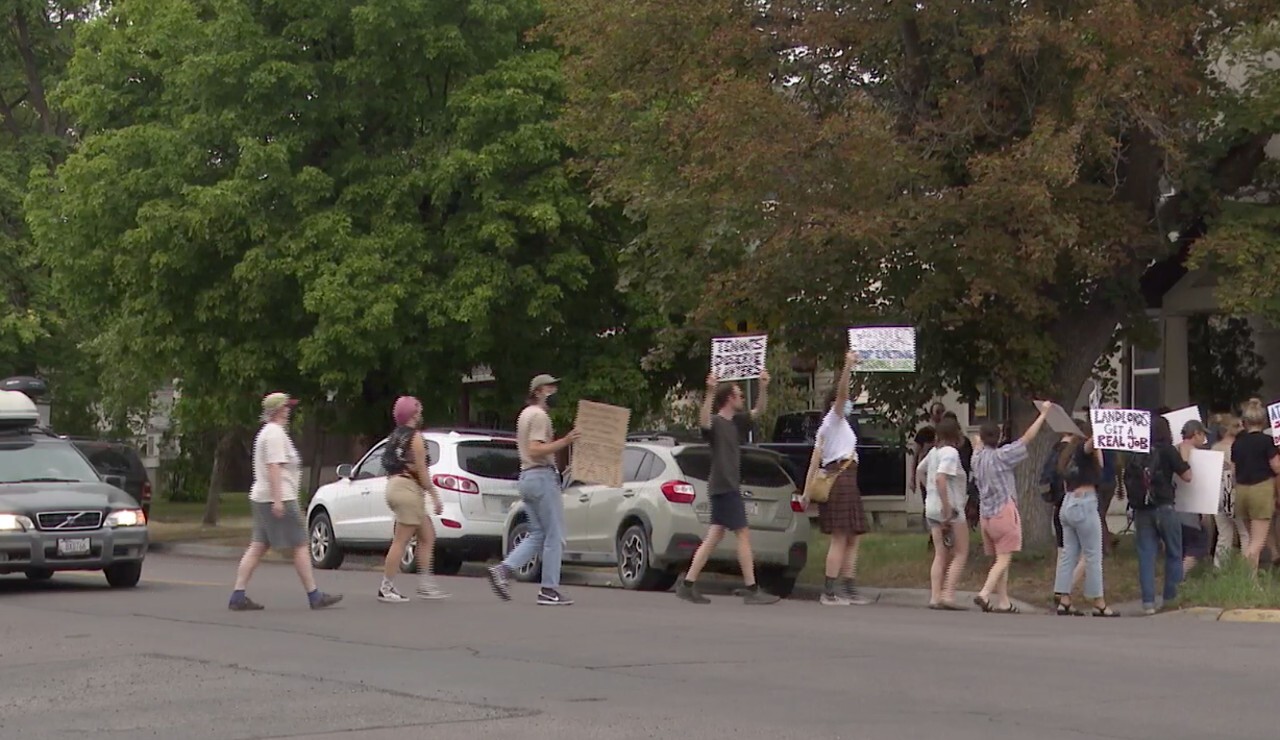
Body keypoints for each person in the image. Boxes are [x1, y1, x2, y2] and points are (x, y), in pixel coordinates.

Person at [229, 392, 342, 612]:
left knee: (258, 545)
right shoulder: (274, 434)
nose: (290, 410)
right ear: (279, 410)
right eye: (287, 407)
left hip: (261, 496)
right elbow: (274, 466)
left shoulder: (267, 433)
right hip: (278, 496)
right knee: (300, 544)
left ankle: (238, 594)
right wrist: (279, 500)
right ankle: (314, 595)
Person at [677, 370, 781, 605]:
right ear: (729, 399)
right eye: (739, 395)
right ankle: (752, 589)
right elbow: (703, 420)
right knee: (742, 534)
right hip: (724, 485)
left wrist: (763, 387)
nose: (742, 398)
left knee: (714, 536)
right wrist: (710, 392)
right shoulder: (715, 423)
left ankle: (687, 585)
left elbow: (759, 410)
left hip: (725, 485)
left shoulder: (738, 422)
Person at [488, 374, 581, 605]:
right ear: (538, 391)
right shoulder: (539, 415)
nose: (554, 391)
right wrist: (567, 440)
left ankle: (503, 570)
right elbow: (535, 449)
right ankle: (549, 589)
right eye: (550, 387)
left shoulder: (525, 414)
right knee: (555, 535)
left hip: (527, 477)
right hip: (541, 477)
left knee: (538, 533)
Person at [803, 352, 870, 606]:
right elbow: (842, 393)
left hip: (843, 478)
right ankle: (829, 591)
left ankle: (847, 587)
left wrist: (807, 490)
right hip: (841, 479)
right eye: (846, 401)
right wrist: (847, 366)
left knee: (852, 537)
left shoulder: (828, 429)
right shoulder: (833, 419)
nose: (849, 403)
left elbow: (814, 461)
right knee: (841, 537)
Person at [971, 401, 1051, 614]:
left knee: (1000, 557)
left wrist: (977, 440)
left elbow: (977, 444)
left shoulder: (976, 458)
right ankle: (984, 593)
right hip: (1003, 512)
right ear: (998, 437)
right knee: (1004, 558)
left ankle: (1003, 601)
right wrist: (1043, 415)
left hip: (986, 515)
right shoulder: (1002, 456)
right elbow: (1027, 439)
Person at [377, 396, 449, 603]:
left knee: (427, 536)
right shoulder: (415, 438)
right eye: (418, 410)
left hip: (395, 487)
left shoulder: (394, 436)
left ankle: (425, 585)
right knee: (401, 541)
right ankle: (386, 588)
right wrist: (435, 496)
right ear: (413, 414)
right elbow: (422, 471)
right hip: (408, 489)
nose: (421, 414)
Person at [1128, 416, 1192, 615]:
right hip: (1164, 506)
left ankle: (1148, 603)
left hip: (1142, 509)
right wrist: (1184, 457)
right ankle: (1170, 598)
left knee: (1146, 555)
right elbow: (1187, 476)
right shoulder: (1168, 450)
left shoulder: (1137, 451)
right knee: (1174, 552)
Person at [1052, 430, 1118, 617]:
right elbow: (1091, 446)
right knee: (1093, 555)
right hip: (1085, 503)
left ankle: (1064, 598)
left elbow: (1101, 463)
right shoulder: (1083, 449)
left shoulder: (1068, 454)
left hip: (1068, 503)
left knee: (1069, 553)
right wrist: (1100, 431)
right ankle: (1099, 601)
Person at [917, 416, 968, 610]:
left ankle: (935, 596)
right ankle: (948, 594)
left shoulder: (933, 452)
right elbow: (941, 479)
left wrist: (929, 491)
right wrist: (947, 508)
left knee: (940, 553)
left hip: (931, 507)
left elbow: (920, 472)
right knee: (961, 552)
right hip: (949, 508)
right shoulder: (950, 453)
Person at [1231, 399, 1280, 571]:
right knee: (1258, 542)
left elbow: (1234, 471)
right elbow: (1277, 467)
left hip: (1242, 491)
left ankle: (1251, 582)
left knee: (1251, 538)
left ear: (1245, 422)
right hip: (1261, 490)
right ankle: (1241, 576)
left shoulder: (1237, 443)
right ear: (1263, 421)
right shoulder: (1267, 441)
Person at [1212, 414, 1247, 568]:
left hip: (1217, 491)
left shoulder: (1214, 448)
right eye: (1239, 425)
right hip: (1232, 490)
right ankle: (1248, 568)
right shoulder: (1238, 447)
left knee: (1224, 533)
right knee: (1245, 533)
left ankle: (1218, 567)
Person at [1178, 420, 1210, 574]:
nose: (1204, 438)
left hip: (1172, 504)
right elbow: (1201, 484)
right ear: (1196, 433)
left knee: (1181, 543)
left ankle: (1175, 576)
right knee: (1198, 544)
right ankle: (1179, 575)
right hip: (1190, 506)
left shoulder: (1173, 449)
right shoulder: (1198, 455)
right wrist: (1204, 510)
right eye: (1202, 434)